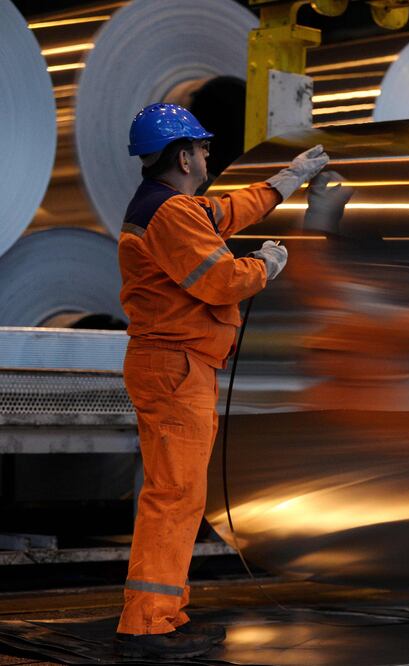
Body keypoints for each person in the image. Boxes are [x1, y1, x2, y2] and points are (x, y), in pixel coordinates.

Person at [115, 103, 347, 658]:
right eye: (201, 147)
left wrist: (284, 181)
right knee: (174, 499)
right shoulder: (170, 215)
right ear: (183, 155)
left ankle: (160, 616)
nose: (207, 155)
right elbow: (220, 282)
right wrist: (267, 263)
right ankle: (147, 626)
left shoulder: (170, 208)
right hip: (176, 367)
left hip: (176, 365)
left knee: (176, 497)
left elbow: (224, 213)